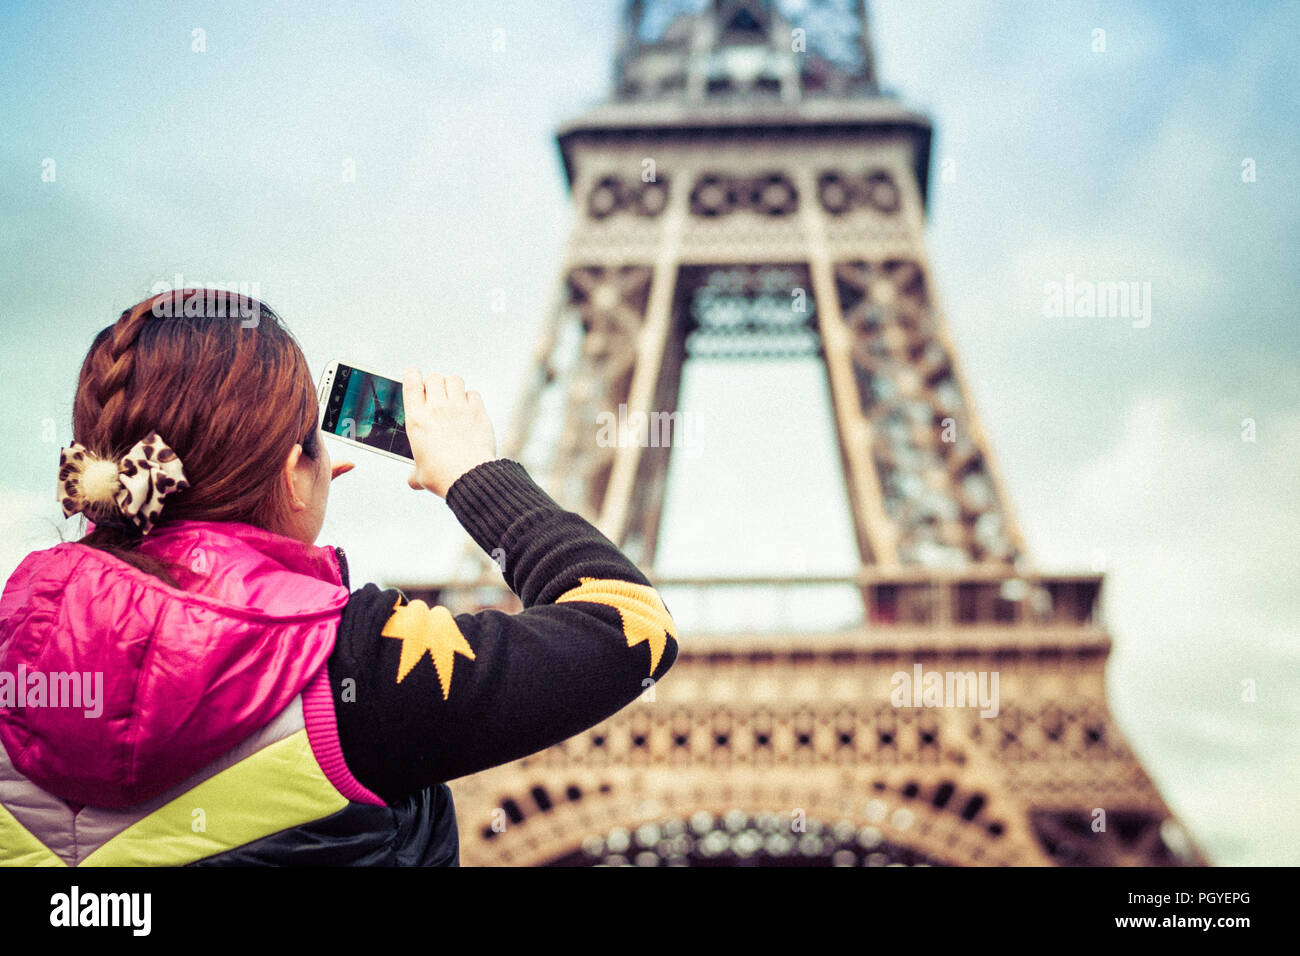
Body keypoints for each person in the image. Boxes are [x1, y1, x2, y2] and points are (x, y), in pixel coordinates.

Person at [0, 289, 678, 866]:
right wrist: (474, 474)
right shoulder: (357, 660)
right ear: (297, 472)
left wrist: (272, 521)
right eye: (313, 448)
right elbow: (628, 625)